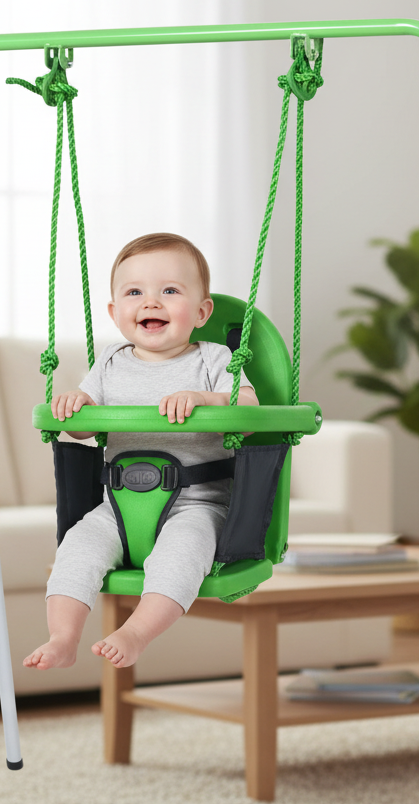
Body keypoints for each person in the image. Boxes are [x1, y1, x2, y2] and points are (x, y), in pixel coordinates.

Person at [23, 232, 257, 670]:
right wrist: (76, 407)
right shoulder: (110, 362)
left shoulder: (214, 359)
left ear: (202, 311)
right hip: (118, 507)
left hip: (197, 504)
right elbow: (79, 430)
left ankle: (137, 631)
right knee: (76, 549)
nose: (151, 303)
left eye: (170, 291)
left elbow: (248, 409)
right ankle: (63, 636)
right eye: (135, 293)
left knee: (181, 556)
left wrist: (206, 400)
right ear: (115, 313)